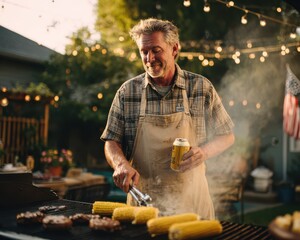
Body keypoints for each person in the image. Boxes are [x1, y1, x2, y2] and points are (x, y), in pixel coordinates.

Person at [101, 18, 235, 219]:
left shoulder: (200, 88)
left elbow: (228, 136)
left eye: (156, 50)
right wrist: (120, 163)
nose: (149, 58)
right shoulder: (127, 92)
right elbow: (111, 141)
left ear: (174, 49)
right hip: (144, 204)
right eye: (144, 52)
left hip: (193, 206)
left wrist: (204, 152)